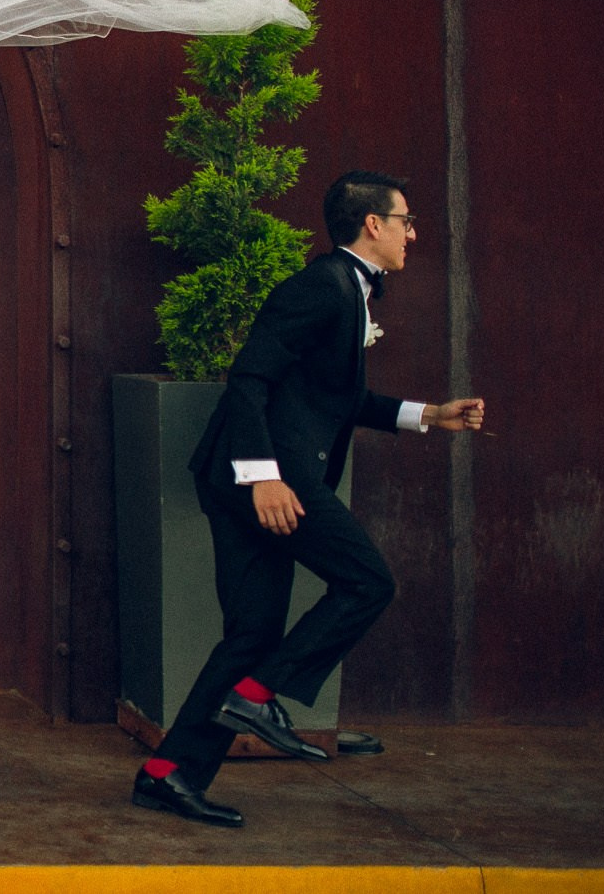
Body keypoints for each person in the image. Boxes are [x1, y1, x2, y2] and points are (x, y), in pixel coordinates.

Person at [133, 171, 486, 827]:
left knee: (251, 634)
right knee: (367, 581)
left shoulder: (347, 289)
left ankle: (167, 772)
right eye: (405, 221)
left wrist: (429, 415)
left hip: (250, 479)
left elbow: (339, 398)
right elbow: (248, 377)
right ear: (373, 224)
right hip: (268, 481)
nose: (412, 234)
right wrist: (263, 477)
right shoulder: (321, 286)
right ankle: (257, 695)